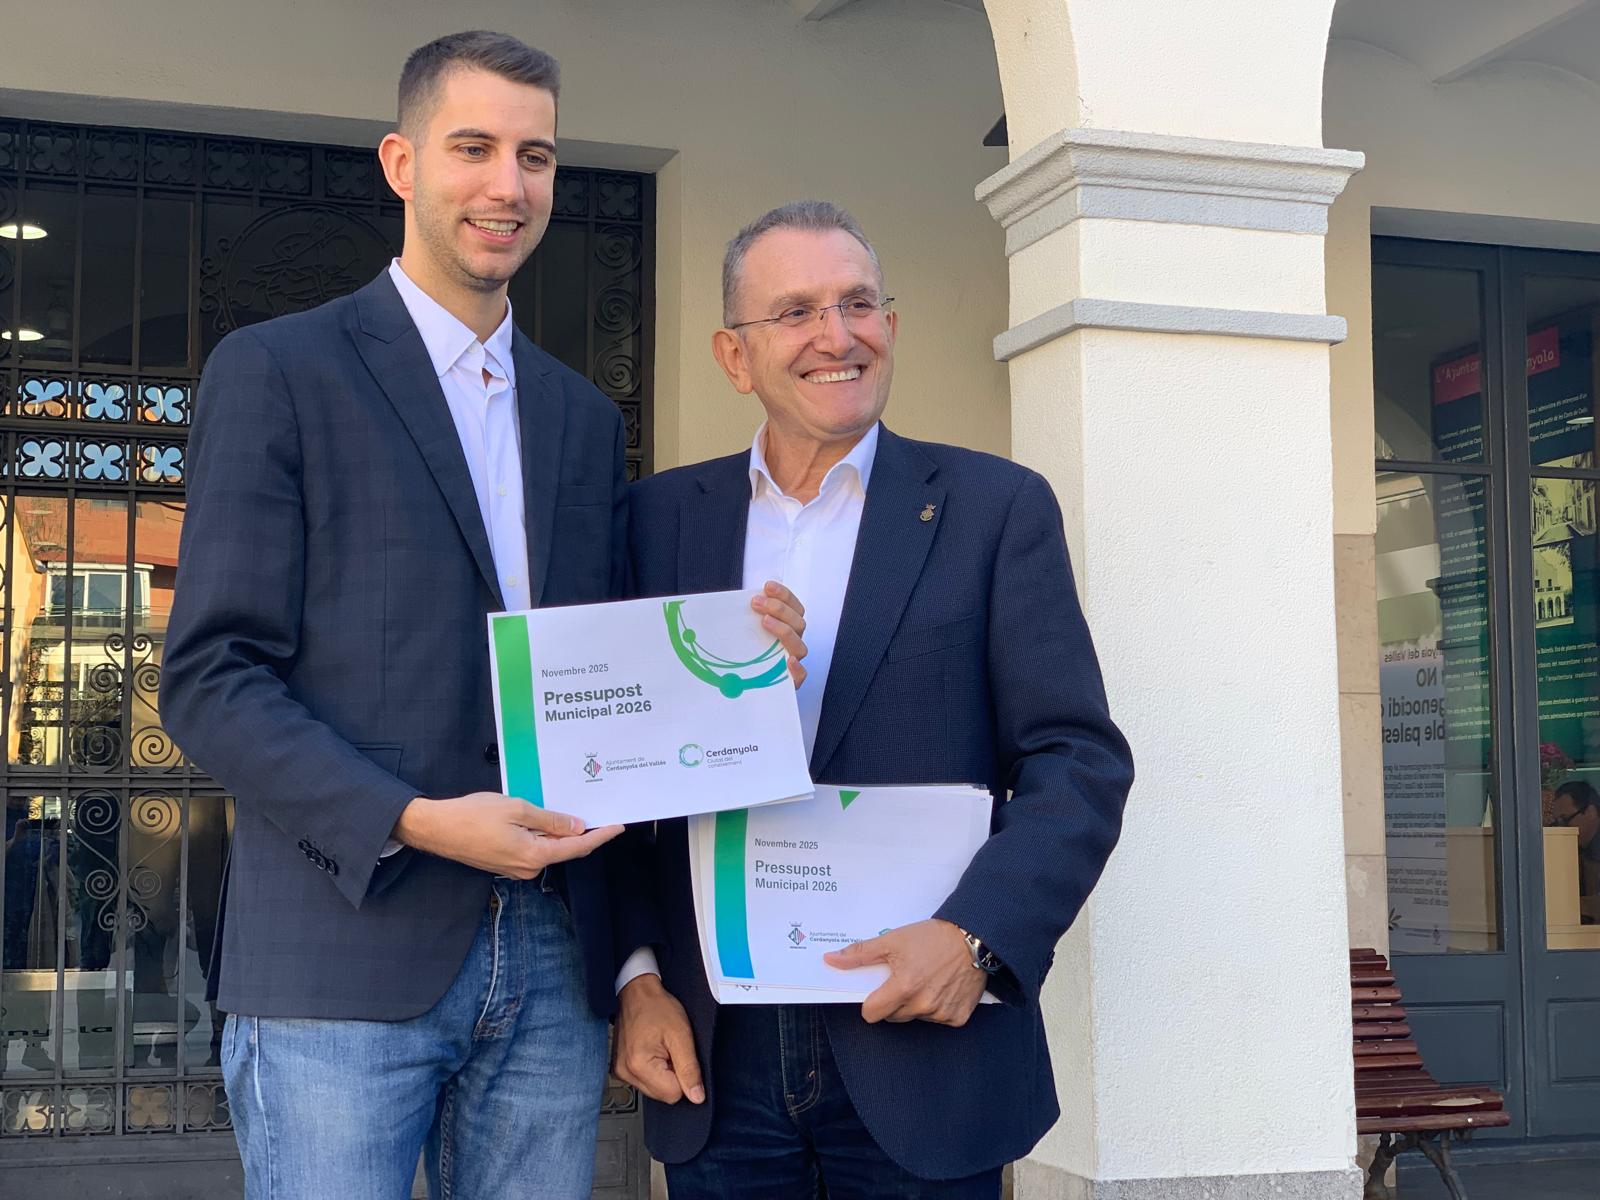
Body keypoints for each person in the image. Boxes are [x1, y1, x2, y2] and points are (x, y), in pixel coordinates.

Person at [159, 32, 805, 1200]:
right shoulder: (278, 371)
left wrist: (737, 659)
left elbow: (605, 675)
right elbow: (211, 679)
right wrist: (413, 819)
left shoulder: (579, 416)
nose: (509, 185)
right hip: (337, 959)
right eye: (475, 148)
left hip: (551, 966)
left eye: (537, 156)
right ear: (402, 163)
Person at [612, 200, 1135, 1198]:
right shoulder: (657, 521)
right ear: (734, 355)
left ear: (888, 326)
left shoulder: (995, 510)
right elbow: (625, 791)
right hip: (716, 1057)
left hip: (921, 1043)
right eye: (797, 311)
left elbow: (1076, 761)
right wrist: (636, 978)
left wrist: (977, 938)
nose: (836, 335)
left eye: (859, 303)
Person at [1553, 780, 1600, 921]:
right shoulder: (1578, 850)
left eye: (1566, 820)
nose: (1562, 829)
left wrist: (1568, 904)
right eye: (1557, 823)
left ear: (1590, 812)